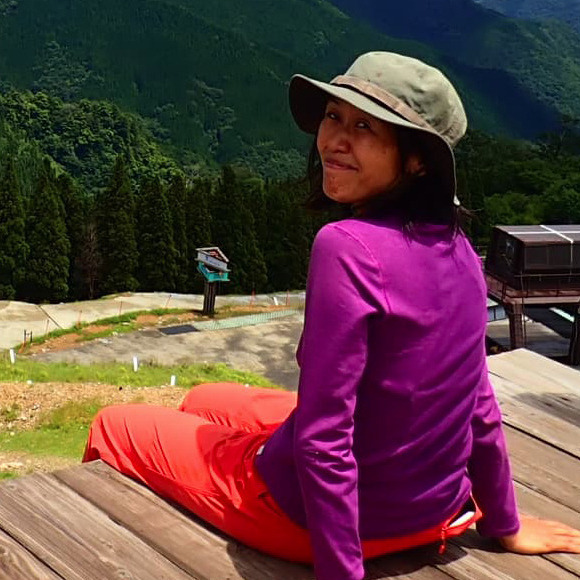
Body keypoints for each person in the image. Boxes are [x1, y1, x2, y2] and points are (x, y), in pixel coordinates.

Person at [83, 52, 580, 580]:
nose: (334, 140)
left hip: (322, 523)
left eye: (365, 127)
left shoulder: (345, 247)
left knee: (114, 424)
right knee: (202, 398)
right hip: (438, 510)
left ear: (418, 160)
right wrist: (504, 522)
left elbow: (323, 439)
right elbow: (477, 400)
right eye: (333, 116)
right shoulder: (460, 248)